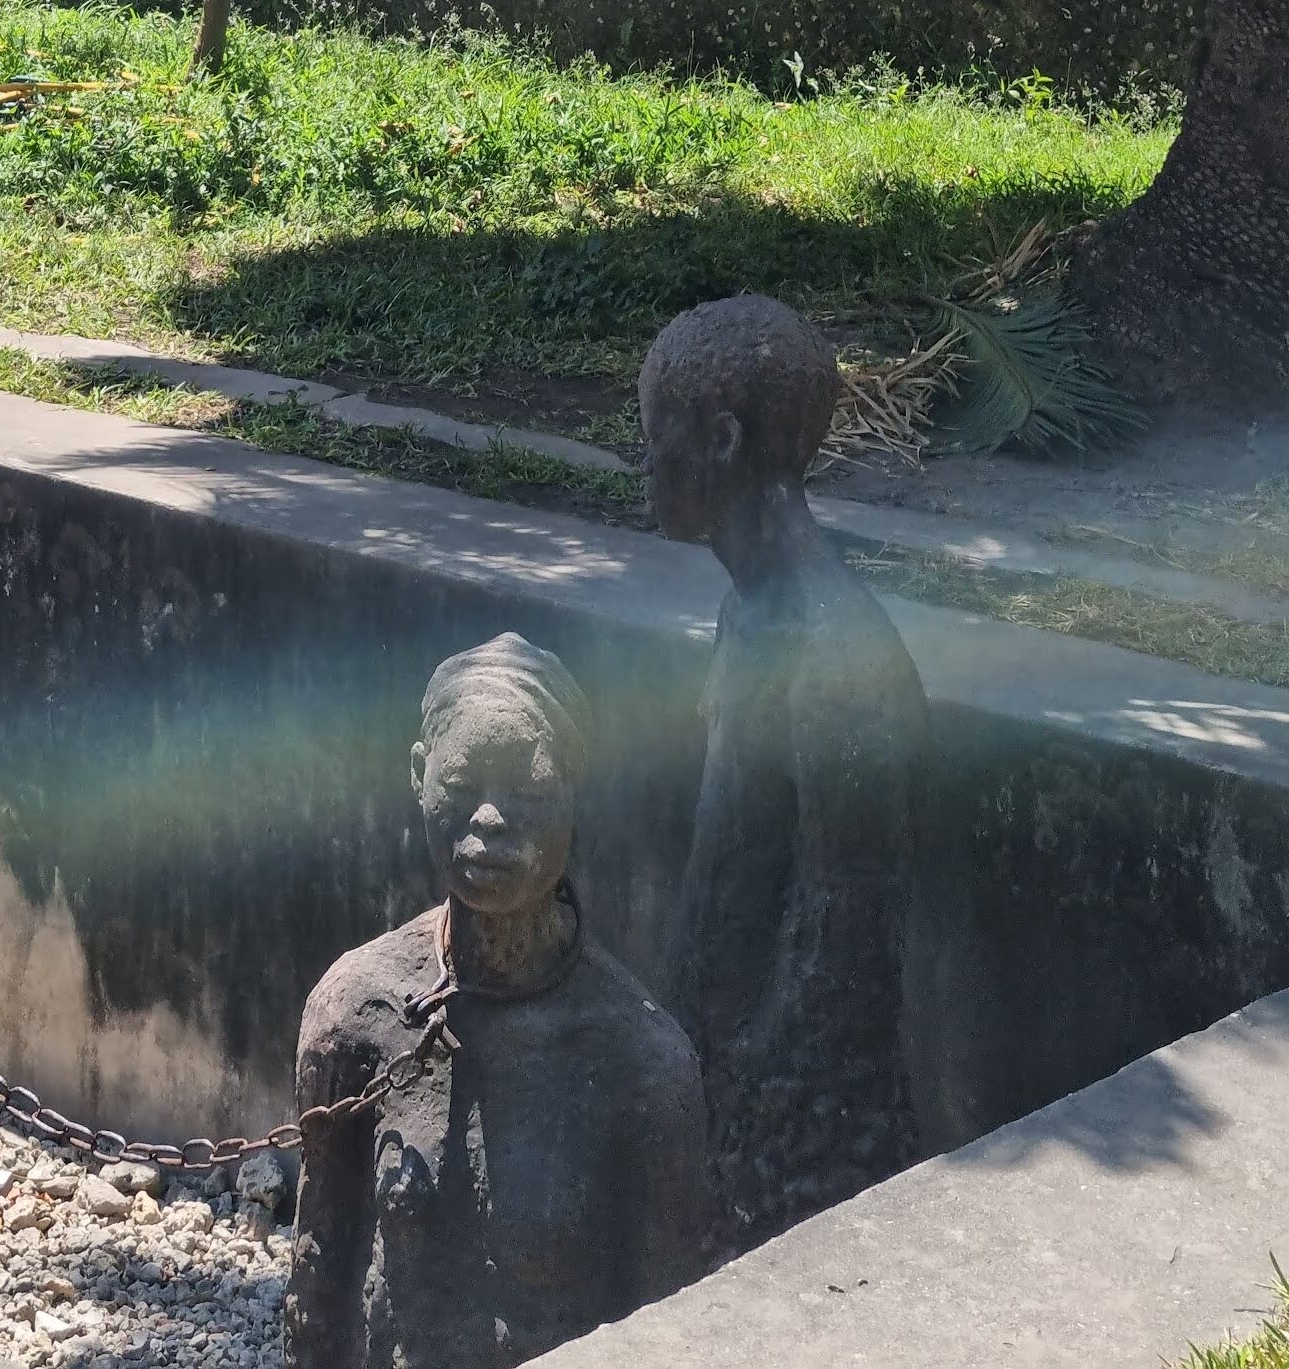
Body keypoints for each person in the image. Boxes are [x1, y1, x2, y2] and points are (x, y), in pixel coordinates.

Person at [288, 633, 713, 1369]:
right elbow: (319, 1289)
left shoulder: (640, 1063)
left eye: (531, 791)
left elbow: (668, 1328)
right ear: (419, 776)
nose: (489, 818)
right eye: (462, 783)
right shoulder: (359, 1013)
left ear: (575, 796)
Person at [637, 293, 925, 1242]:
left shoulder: (834, 657)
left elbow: (843, 951)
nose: (644, 461)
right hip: (713, 1060)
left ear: (720, 439)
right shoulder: (748, 614)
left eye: (655, 434)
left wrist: (747, 1110)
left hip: (788, 1130)